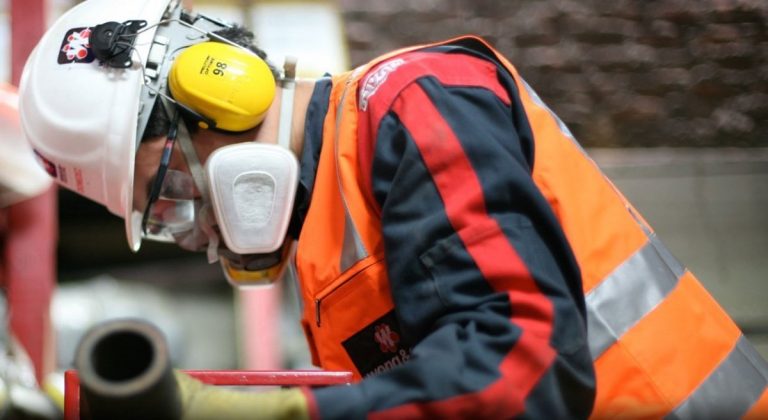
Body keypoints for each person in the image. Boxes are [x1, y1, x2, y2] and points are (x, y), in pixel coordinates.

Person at [18, 0, 768, 418]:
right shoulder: (321, 264)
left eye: (168, 192)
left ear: (217, 91)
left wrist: (287, 418)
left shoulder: (414, 104)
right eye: (162, 225)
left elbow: (523, 371)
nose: (195, 238)